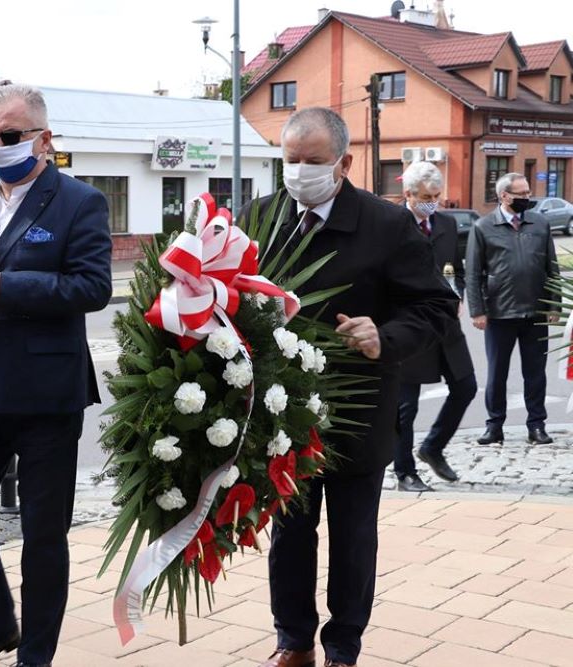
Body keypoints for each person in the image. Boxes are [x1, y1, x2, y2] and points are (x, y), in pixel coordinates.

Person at [241, 107, 457, 667]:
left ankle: (343, 646)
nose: (300, 173)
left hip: (359, 409)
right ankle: (292, 640)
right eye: (291, 162)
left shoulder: (387, 224)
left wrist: (383, 335)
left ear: (345, 163)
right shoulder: (259, 218)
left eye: (313, 162)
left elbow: (434, 305)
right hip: (282, 413)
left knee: (353, 536)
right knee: (290, 533)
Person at [0, 84, 112, 667]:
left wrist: (5, 286)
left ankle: (34, 655)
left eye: (10, 136)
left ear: (43, 138)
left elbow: (93, 288)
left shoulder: (79, 201)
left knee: (42, 535)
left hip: (45, 396)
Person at [395, 161, 476, 492]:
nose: (432, 202)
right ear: (408, 194)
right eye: (425, 196)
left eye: (436, 196)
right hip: (410, 323)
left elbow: (455, 267)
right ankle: (405, 472)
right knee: (406, 407)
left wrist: (459, 295)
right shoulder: (394, 224)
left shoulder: (444, 223)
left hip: (444, 322)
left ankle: (432, 447)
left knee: (466, 386)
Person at [466, 173, 560, 446]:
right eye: (521, 194)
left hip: (536, 312)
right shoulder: (483, 227)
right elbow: (473, 274)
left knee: (536, 373)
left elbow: (551, 268)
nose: (527, 199)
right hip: (499, 314)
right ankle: (494, 426)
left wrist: (553, 304)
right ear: (504, 196)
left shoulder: (540, 224)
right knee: (496, 374)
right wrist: (477, 311)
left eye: (528, 193)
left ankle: (537, 426)